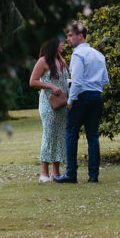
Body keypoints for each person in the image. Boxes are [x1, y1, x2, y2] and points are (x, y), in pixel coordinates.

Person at [54, 22, 109, 184]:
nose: (68, 39)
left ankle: (71, 174)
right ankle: (93, 175)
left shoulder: (78, 55)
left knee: (71, 134)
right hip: (97, 96)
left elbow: (76, 82)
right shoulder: (99, 55)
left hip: (81, 97)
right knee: (93, 136)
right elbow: (105, 80)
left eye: (71, 35)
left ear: (80, 36)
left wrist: (71, 100)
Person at [29, 39, 70, 183]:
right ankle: (44, 173)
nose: (63, 44)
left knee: (59, 136)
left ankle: (56, 172)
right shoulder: (43, 61)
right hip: (48, 103)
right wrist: (50, 86)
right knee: (49, 134)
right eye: (60, 42)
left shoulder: (61, 61)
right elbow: (33, 81)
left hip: (62, 104)